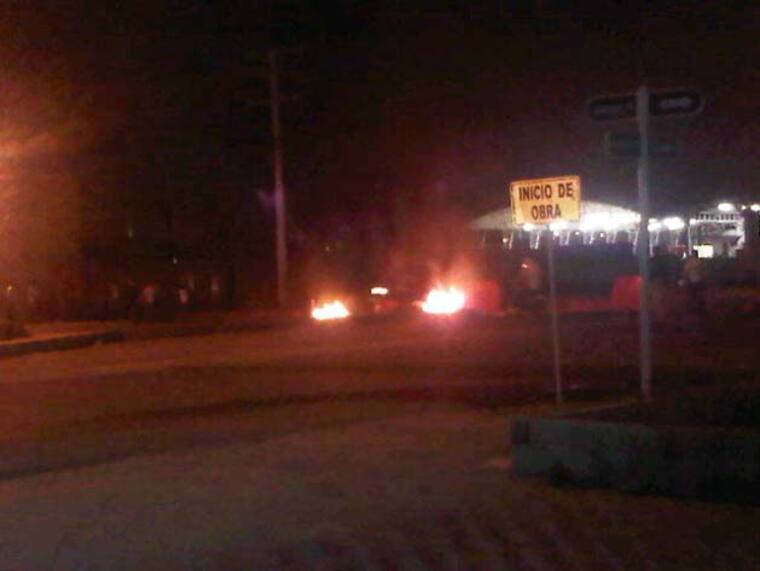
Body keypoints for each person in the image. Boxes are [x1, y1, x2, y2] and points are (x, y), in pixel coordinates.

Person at [682, 250, 705, 315]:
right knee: (699, 294)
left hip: (691, 280)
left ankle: (692, 308)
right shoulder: (699, 261)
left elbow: (685, 272)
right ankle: (700, 307)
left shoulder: (689, 262)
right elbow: (702, 271)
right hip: (699, 280)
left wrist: (685, 279)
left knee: (692, 295)